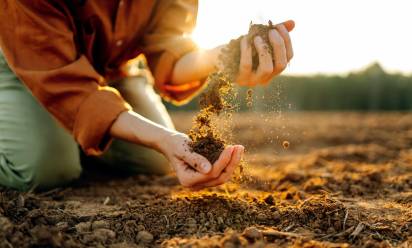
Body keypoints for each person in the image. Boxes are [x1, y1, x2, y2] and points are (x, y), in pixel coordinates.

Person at [0, 1, 294, 191]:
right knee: (47, 170)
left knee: (153, 161)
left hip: (111, 69)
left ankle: (74, 137)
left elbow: (170, 55)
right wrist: (164, 139)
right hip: (30, 62)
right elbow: (68, 86)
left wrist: (229, 57)